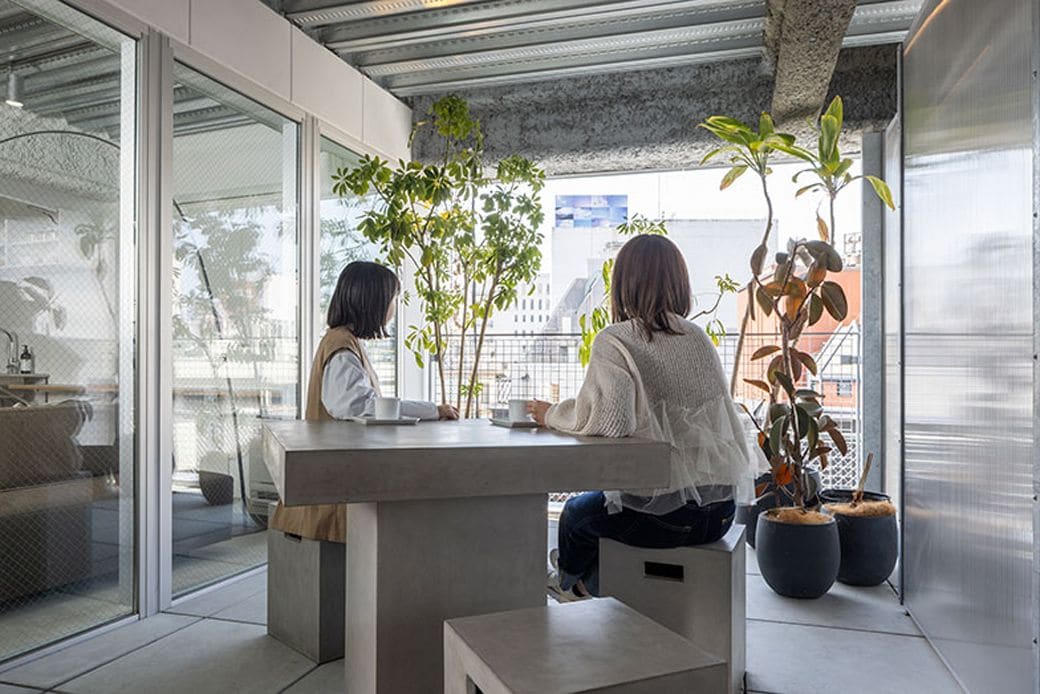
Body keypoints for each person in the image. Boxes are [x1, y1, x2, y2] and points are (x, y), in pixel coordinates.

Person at [528, 234, 755, 601]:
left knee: (575, 514)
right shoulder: (697, 337)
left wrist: (551, 413)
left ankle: (568, 583)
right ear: (679, 283)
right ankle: (591, 583)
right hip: (722, 513)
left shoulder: (617, 339)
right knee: (606, 517)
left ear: (622, 285)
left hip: (665, 519)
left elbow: (610, 420)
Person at [269, 261, 457, 543]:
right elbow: (359, 406)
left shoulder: (344, 341)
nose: (394, 306)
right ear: (374, 301)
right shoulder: (341, 347)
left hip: (332, 483)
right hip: (332, 491)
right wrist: (433, 410)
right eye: (393, 298)